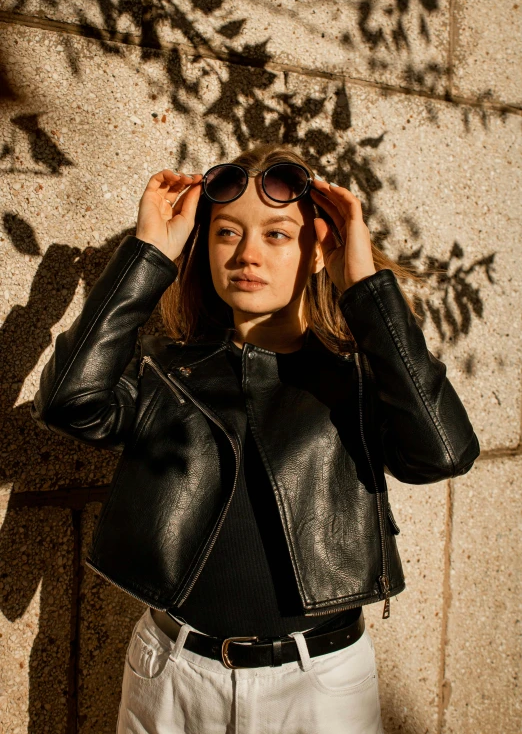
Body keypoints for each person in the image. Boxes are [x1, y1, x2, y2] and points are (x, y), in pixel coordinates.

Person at [31, 143, 480, 733]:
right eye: (225, 233)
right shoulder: (167, 371)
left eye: (276, 234)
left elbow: (442, 453)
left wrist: (364, 288)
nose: (247, 254)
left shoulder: (360, 379)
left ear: (318, 250)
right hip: (172, 675)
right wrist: (146, 257)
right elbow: (69, 401)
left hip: (317, 687)